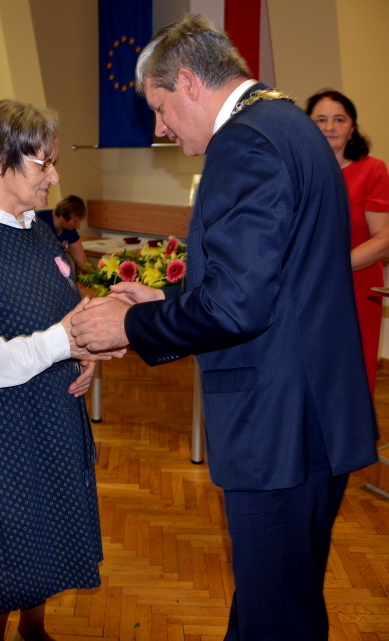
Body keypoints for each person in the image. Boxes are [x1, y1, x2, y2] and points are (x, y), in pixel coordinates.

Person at [71, 15, 377, 641]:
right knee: (282, 604)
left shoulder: (243, 144)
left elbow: (239, 307)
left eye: (159, 108)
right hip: (314, 415)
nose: (160, 128)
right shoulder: (289, 123)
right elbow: (272, 279)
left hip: (277, 428)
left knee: (275, 618)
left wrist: (133, 323)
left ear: (187, 81)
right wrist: (167, 296)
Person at [0, 99, 122, 641]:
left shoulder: (34, 229)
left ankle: (33, 631)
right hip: (0, 434)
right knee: (2, 558)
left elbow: (58, 312)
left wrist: (82, 353)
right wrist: (59, 342)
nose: (54, 176)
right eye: (43, 163)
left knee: (46, 540)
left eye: (54, 162)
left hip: (50, 420)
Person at [306, 90, 389, 397]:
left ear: (352, 128)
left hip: (356, 286)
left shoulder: (372, 170)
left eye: (339, 119)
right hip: (306, 288)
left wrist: (333, 266)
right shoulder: (299, 173)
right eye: (321, 120)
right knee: (309, 375)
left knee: (352, 377)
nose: (330, 127)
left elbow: (384, 239)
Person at [36, 195, 89, 273]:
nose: (78, 225)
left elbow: (83, 261)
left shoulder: (69, 229)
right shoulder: (38, 221)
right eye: (75, 221)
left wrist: (99, 277)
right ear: (62, 217)